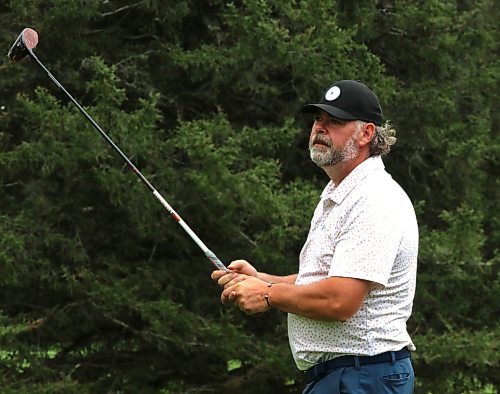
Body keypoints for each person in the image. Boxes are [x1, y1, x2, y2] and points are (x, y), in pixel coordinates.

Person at [211, 80, 418, 394]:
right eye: (318, 119)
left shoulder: (374, 198)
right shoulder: (341, 192)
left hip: (362, 377)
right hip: (348, 376)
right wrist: (264, 279)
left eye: (334, 122)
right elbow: (325, 278)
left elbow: (339, 300)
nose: (320, 128)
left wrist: (267, 294)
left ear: (366, 134)